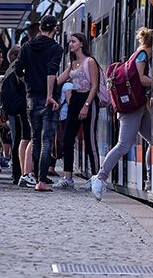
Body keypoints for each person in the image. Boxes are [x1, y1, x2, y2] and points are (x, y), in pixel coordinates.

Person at [92, 27, 153, 200]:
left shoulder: (139, 53)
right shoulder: (142, 55)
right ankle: (100, 178)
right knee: (123, 145)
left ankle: (149, 180)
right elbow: (141, 79)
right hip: (131, 109)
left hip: (139, 106)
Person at [15, 15, 63, 192]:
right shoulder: (56, 48)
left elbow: (18, 69)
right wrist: (50, 95)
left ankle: (36, 179)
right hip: (48, 99)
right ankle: (41, 180)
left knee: (35, 140)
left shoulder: (27, 46)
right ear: (55, 29)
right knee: (47, 140)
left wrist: (27, 81)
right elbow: (52, 71)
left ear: (41, 27)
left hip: (31, 98)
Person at [54, 33, 100, 189]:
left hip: (88, 99)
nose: (70, 44)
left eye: (73, 41)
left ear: (81, 44)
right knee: (67, 139)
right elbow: (58, 80)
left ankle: (96, 177)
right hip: (74, 100)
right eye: (70, 42)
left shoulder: (90, 61)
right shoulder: (72, 64)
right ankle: (68, 176)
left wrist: (86, 105)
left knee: (90, 139)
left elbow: (95, 85)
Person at [0, 46, 35, 186]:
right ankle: (20, 173)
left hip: (14, 110)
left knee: (18, 139)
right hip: (20, 109)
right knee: (21, 139)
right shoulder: (16, 69)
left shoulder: (9, 70)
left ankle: (19, 173)